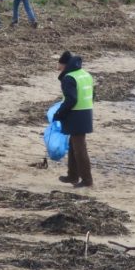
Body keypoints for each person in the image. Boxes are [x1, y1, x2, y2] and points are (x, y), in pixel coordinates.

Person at [54, 51, 93, 188]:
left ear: (63, 64)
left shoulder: (69, 78)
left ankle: (87, 180)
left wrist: (59, 113)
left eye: (58, 63)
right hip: (86, 113)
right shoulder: (85, 74)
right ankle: (73, 175)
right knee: (73, 145)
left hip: (76, 115)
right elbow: (92, 94)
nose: (57, 66)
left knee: (79, 148)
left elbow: (71, 99)